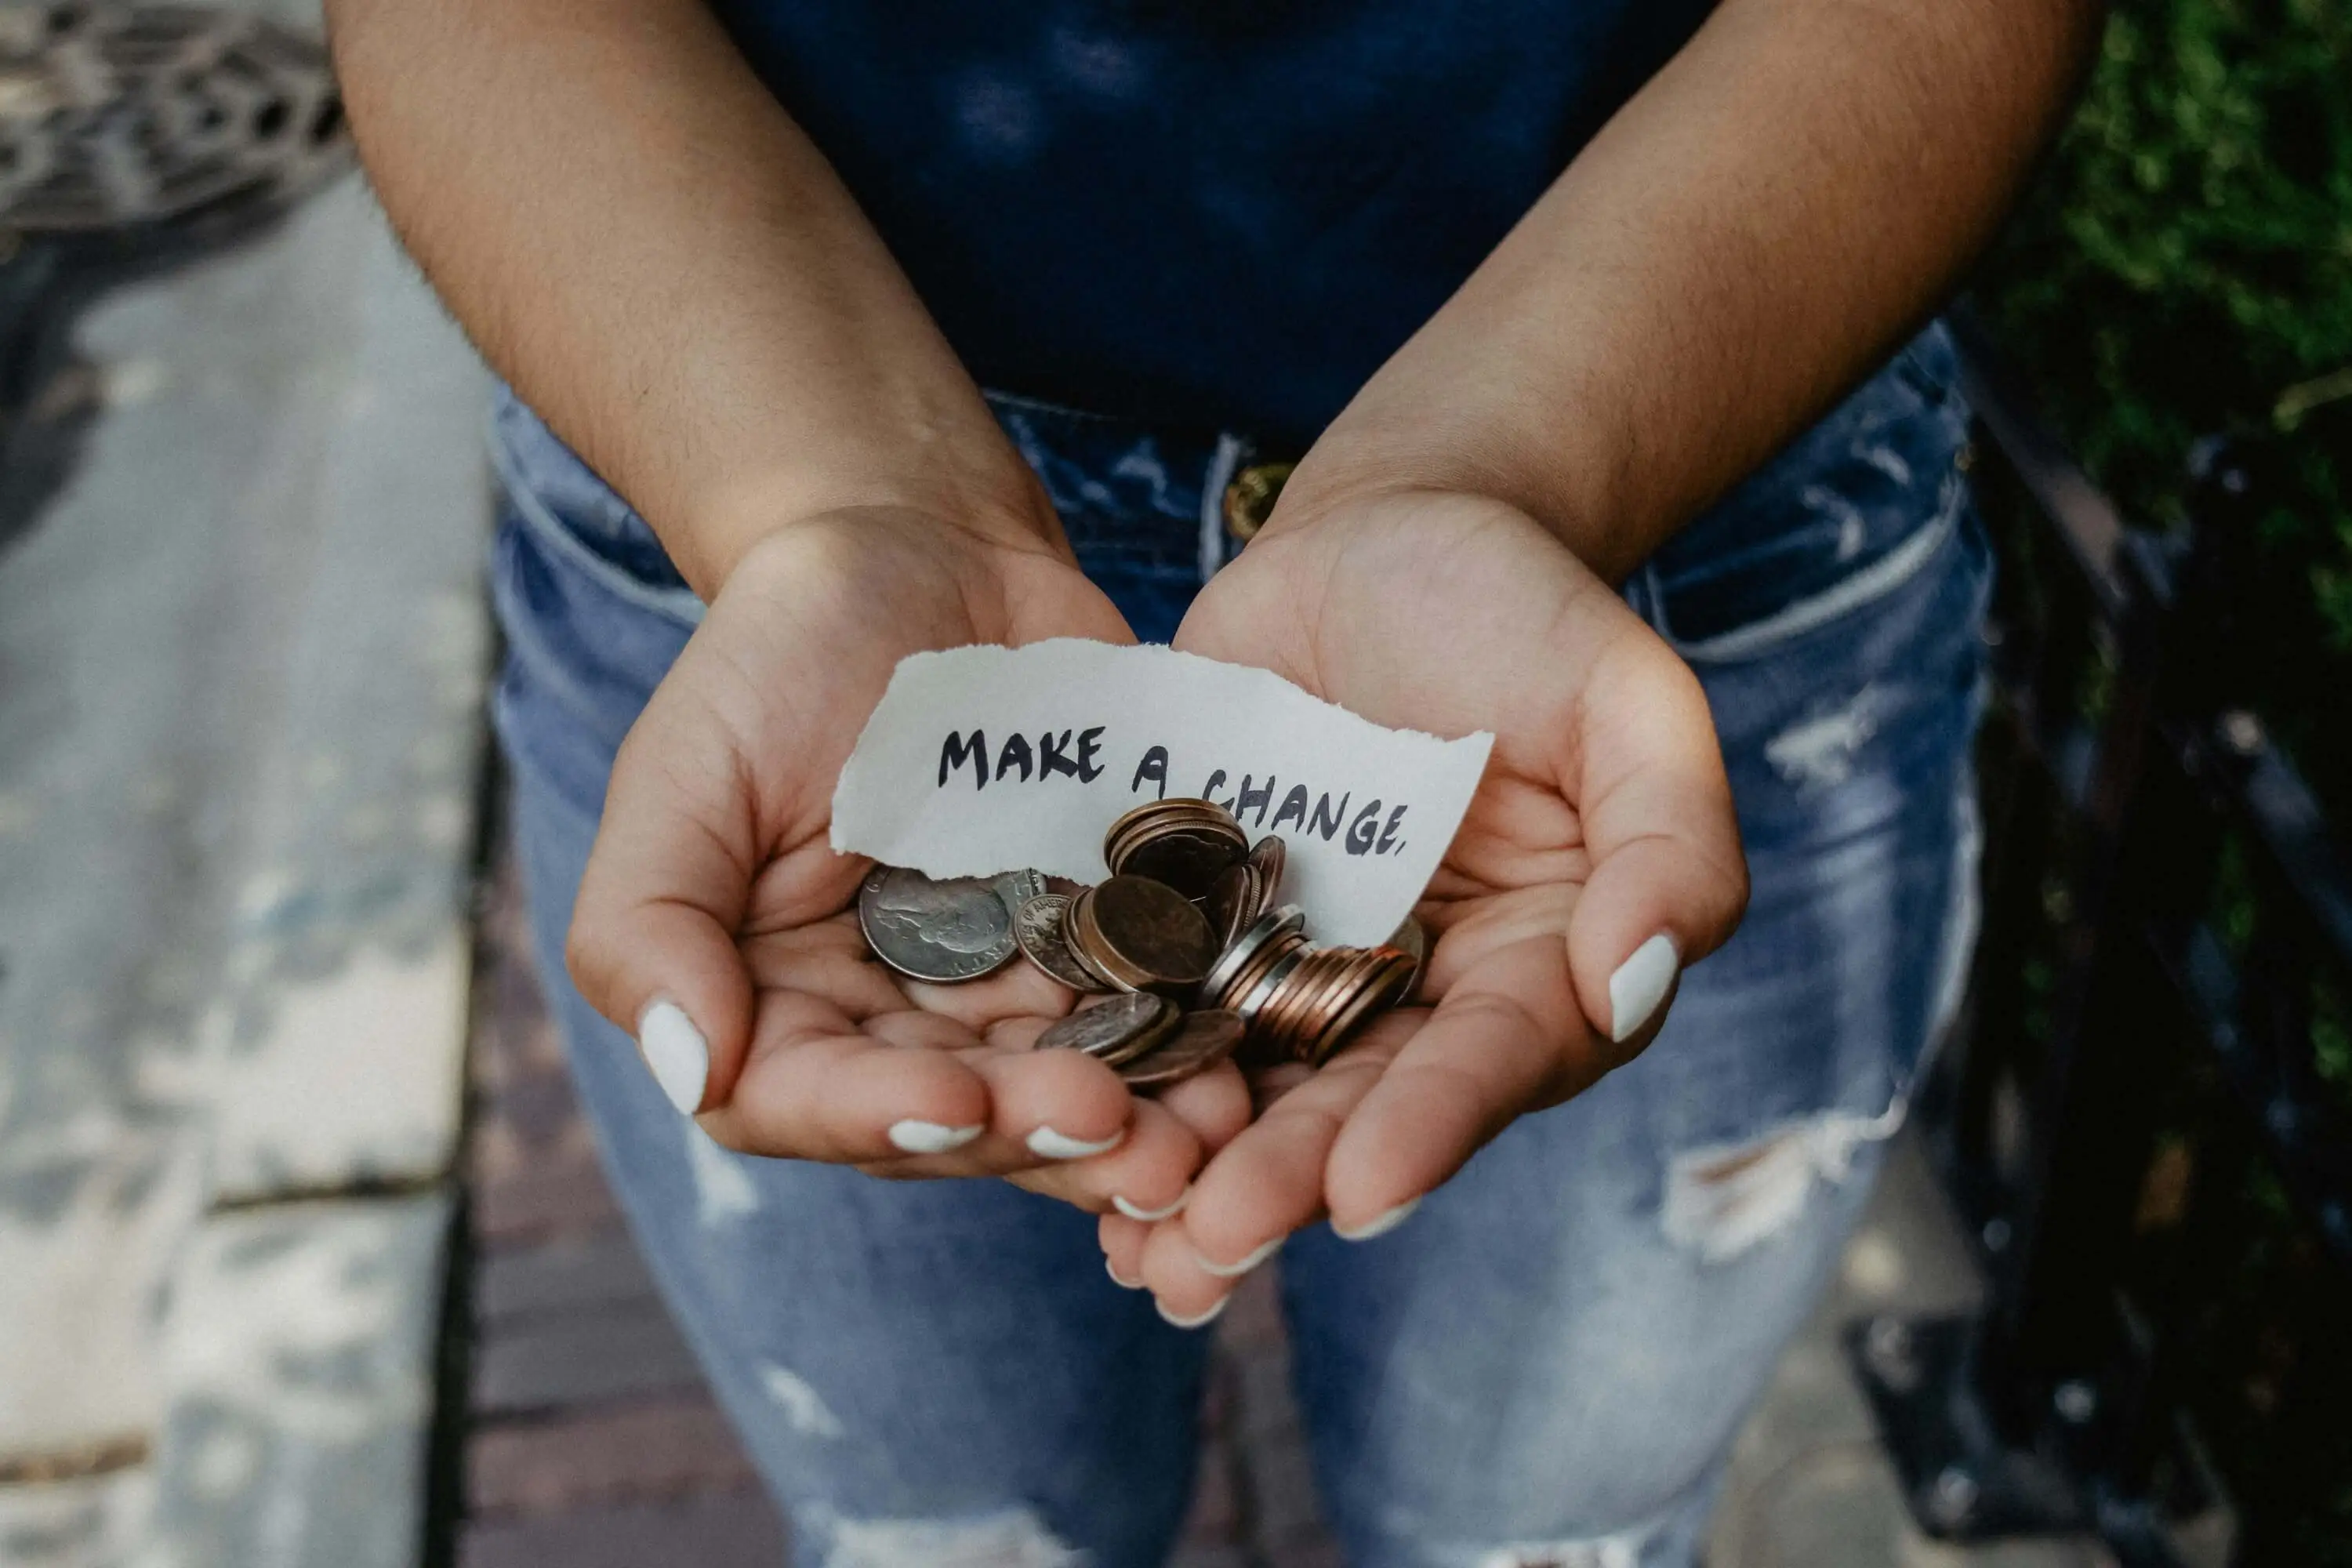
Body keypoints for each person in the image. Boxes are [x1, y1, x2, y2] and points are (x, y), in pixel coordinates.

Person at [331, 1, 2099, 1561]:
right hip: (747, 506)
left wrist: (1494, 472)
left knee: (1549, 1548)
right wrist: (823, 512)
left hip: (1680, 479)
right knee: (946, 1545)